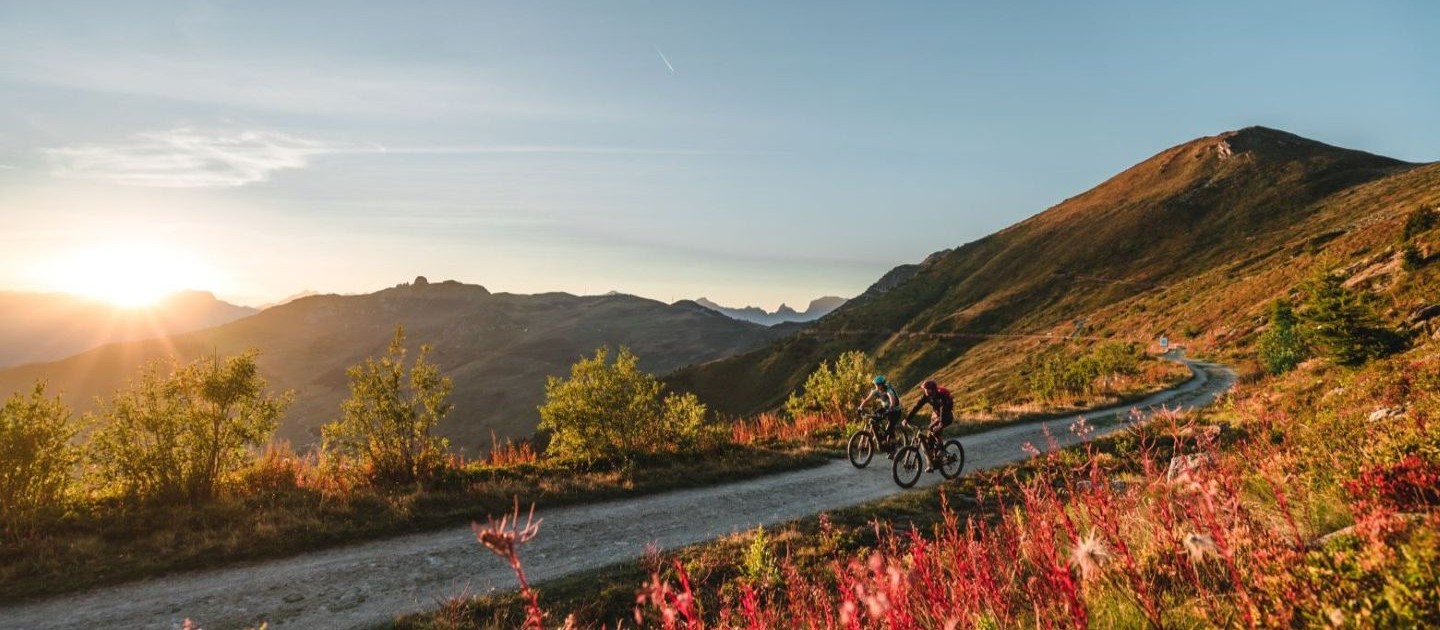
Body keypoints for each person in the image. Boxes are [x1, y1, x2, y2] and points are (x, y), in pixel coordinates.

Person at [905, 379, 954, 470]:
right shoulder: (926, 396)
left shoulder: (940, 396)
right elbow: (917, 407)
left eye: (927, 389)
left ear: (933, 389)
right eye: (924, 389)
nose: (925, 391)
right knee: (929, 435)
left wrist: (940, 424)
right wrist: (907, 419)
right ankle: (932, 462)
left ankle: (941, 450)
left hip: (946, 415)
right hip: (937, 414)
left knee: (935, 430)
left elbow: (943, 409)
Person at [858, 375, 903, 450]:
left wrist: (891, 407)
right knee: (873, 418)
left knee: (889, 428)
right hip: (885, 408)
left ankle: (893, 445)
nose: (875, 386)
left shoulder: (888, 390)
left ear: (881, 385)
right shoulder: (876, 391)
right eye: (875, 385)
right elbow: (867, 400)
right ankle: (880, 439)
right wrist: (860, 407)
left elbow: (892, 399)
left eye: (877, 385)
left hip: (895, 411)